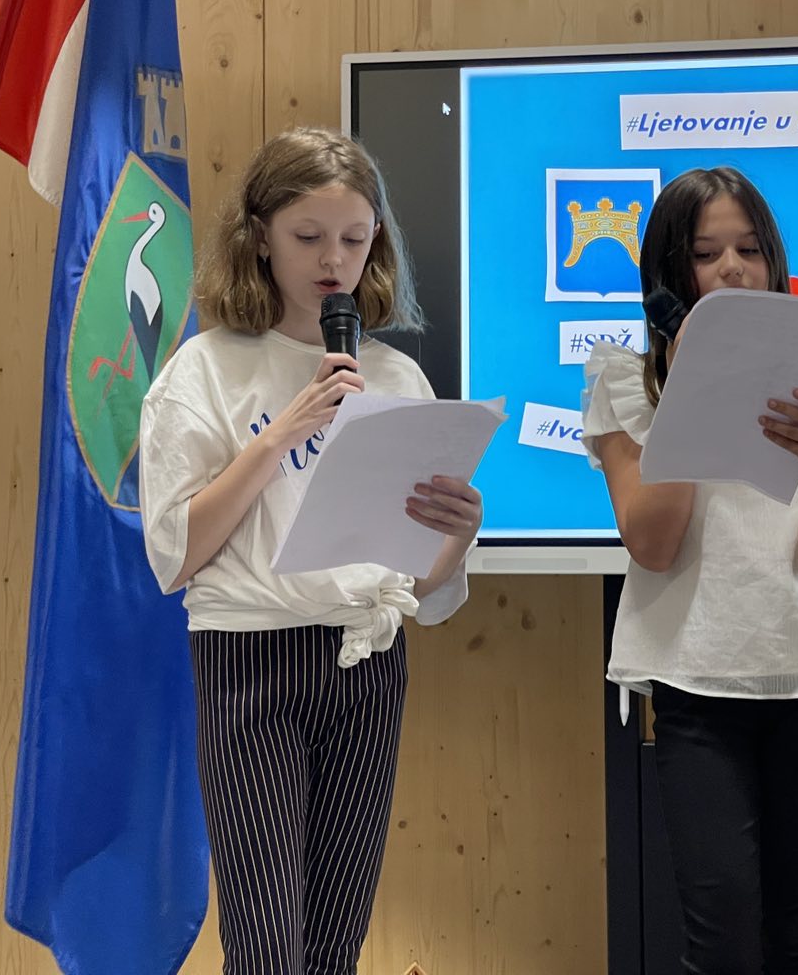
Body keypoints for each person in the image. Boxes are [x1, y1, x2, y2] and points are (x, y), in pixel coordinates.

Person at [138, 126, 481, 975]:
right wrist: (278, 436)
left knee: (333, 946)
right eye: (309, 236)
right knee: (266, 948)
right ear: (260, 236)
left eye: (355, 239)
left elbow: (422, 584)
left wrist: (456, 531)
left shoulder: (396, 379)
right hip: (251, 660)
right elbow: (175, 557)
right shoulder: (205, 371)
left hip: (368, 662)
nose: (334, 260)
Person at [581, 165, 798, 975]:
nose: (733, 269)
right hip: (697, 684)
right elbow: (653, 544)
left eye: (750, 249)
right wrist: (691, 390)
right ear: (669, 275)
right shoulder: (624, 381)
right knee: (721, 938)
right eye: (707, 254)